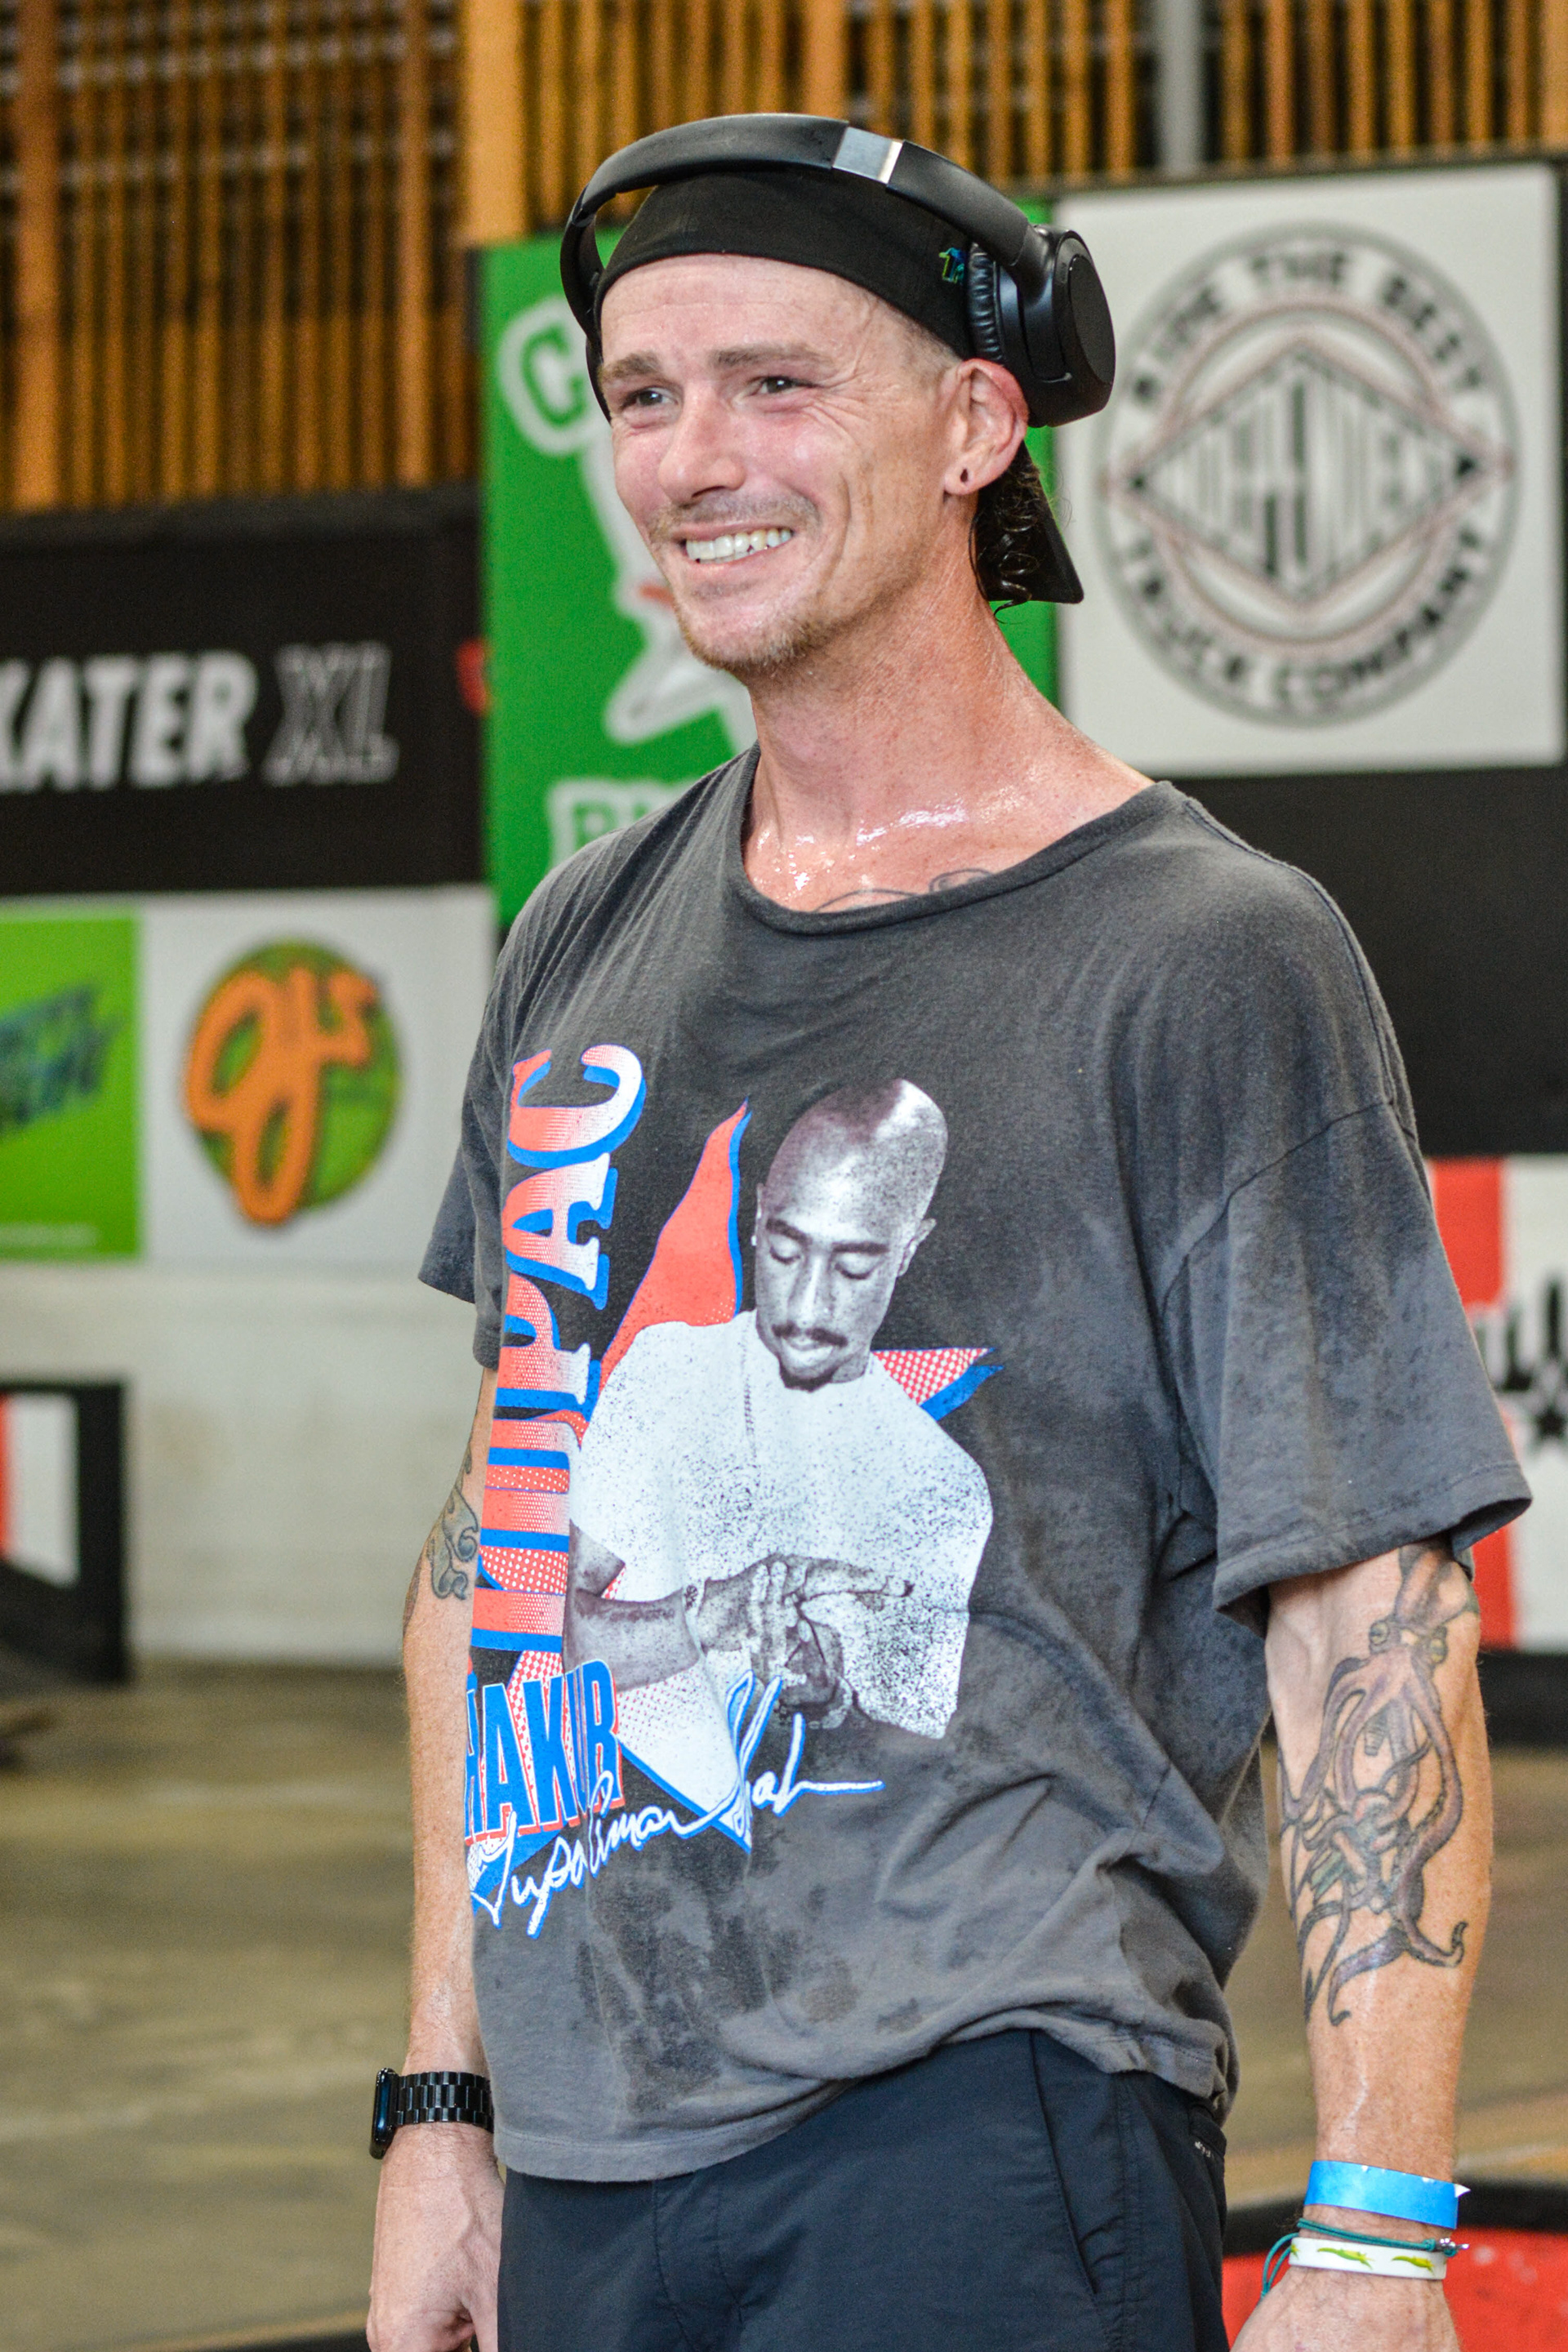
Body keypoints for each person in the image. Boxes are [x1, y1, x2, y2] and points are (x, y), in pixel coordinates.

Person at [368, 118, 1527, 2352]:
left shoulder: (1205, 952)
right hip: (598, 2147)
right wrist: (445, 2096)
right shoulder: (585, 936)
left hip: (981, 2135)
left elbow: (1366, 1601)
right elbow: (494, 1541)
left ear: (973, 425)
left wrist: (1376, 2223)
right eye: (640, 393)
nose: (692, 458)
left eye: (777, 385)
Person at [563, 1079, 994, 1820]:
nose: (806, 1306)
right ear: (759, 1218)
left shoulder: (942, 1488)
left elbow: (925, 1771)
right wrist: (711, 1617)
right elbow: (570, 1636)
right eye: (787, 1252)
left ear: (910, 1248)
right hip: (629, 1844)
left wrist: (830, 1707)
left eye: (853, 1268)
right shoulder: (668, 1372)